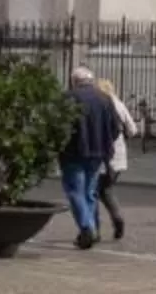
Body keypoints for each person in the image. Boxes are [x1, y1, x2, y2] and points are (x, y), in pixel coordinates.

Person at [60, 68, 123, 250]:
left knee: (75, 191)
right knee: (89, 192)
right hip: (98, 153)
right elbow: (116, 127)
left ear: (74, 81)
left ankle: (87, 228)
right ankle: (90, 229)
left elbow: (61, 126)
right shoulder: (104, 98)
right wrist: (105, 142)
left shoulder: (69, 98)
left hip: (74, 152)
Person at [89, 77, 144, 240]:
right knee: (105, 190)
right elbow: (133, 130)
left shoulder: (98, 105)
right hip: (118, 156)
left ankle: (95, 229)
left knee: (92, 192)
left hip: (100, 154)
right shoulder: (119, 104)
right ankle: (117, 218)